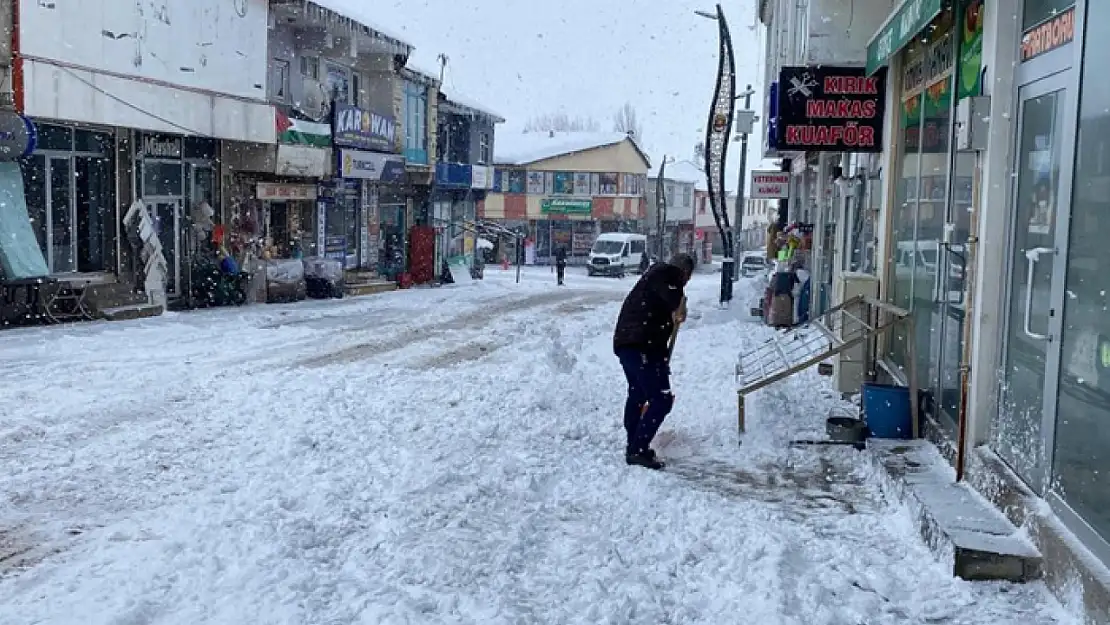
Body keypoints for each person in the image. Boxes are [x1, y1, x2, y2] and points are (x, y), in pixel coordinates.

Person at [612, 253, 695, 470]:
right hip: (641, 346)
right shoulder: (667, 275)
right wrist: (680, 304)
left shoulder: (653, 278)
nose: (684, 282)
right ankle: (637, 449)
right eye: (686, 278)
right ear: (684, 272)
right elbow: (673, 301)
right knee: (661, 398)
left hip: (630, 344)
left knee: (638, 393)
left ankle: (635, 443)